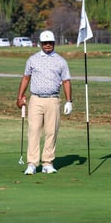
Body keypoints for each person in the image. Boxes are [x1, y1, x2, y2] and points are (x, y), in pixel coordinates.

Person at [16, 30, 73, 175]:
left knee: (51, 132)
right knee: (34, 131)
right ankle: (32, 164)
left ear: (54, 43)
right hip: (35, 99)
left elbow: (66, 81)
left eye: (50, 43)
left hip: (53, 100)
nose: (47, 45)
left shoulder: (61, 61)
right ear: (40, 44)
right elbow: (26, 78)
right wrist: (20, 96)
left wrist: (69, 101)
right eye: (45, 43)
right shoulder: (32, 59)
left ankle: (48, 163)